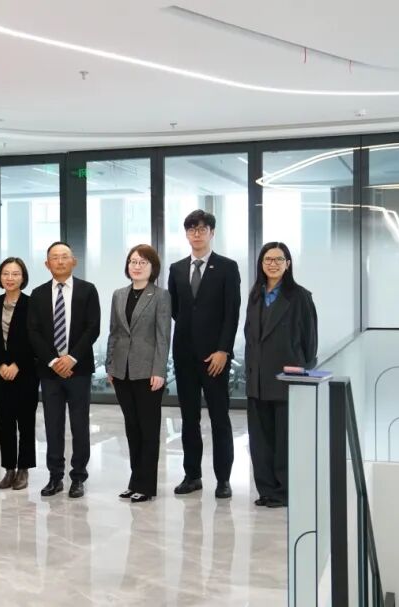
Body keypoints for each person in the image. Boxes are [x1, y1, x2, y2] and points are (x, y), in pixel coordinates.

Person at [167, 209, 241, 499]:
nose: (196, 234)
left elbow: (232, 313)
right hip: (184, 355)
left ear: (212, 233)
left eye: (202, 229)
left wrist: (223, 349)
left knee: (220, 419)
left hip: (215, 358)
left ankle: (223, 479)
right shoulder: (176, 269)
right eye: (191, 229)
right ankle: (192, 476)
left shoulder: (227, 267)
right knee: (189, 419)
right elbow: (176, 310)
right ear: (186, 234)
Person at [244, 242, 317, 508]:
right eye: (267, 259)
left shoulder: (300, 296)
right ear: (261, 264)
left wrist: (303, 371)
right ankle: (266, 490)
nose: (272, 264)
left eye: (278, 259)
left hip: (286, 378)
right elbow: (249, 335)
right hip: (258, 379)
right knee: (260, 441)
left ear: (288, 264)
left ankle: (284, 491)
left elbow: (310, 341)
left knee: (284, 440)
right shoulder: (256, 295)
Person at [27, 242, 101, 499]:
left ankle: (78, 477)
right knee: (52, 425)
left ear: (74, 261)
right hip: (49, 372)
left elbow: (93, 328)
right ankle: (55, 476)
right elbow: (33, 331)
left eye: (64, 257)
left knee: (80, 425)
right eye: (54, 258)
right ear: (47, 264)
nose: (59, 261)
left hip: (78, 370)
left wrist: (71, 358)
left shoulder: (88, 290)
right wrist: (53, 361)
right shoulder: (37, 294)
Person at [105, 244, 171, 503]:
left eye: (143, 262)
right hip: (122, 371)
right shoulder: (119, 295)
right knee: (132, 428)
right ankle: (135, 481)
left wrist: (159, 370)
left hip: (147, 371)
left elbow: (163, 336)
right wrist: (110, 365)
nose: (137, 266)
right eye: (133, 261)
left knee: (148, 429)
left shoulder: (160, 296)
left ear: (152, 267)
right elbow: (114, 332)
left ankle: (146, 485)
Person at [0, 257, 39, 491]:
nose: (10, 278)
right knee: (4, 422)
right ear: (0, 276)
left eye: (15, 274)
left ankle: (24, 468)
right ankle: (9, 468)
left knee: (25, 421)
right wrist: (0, 364)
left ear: (23, 277)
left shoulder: (32, 304)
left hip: (25, 373)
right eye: (6, 273)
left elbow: (35, 339)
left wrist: (17, 364)